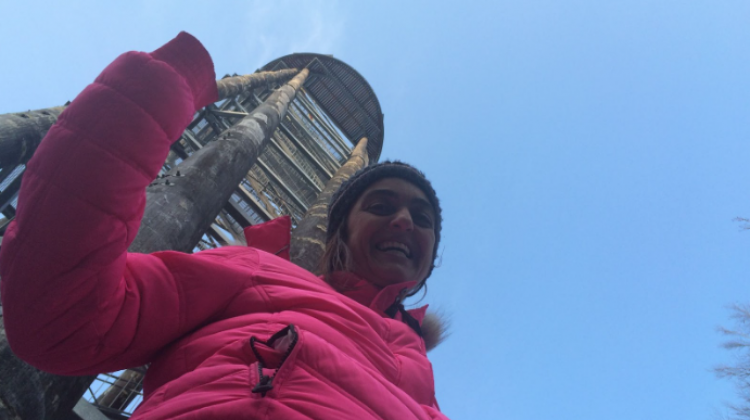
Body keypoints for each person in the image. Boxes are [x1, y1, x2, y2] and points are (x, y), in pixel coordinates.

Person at [0, 32, 449, 420]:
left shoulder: (419, 375)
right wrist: (149, 98)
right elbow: (64, 316)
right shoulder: (256, 269)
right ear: (340, 233)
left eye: (422, 218)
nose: (403, 221)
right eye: (380, 205)